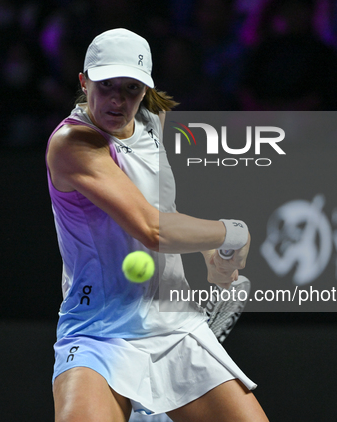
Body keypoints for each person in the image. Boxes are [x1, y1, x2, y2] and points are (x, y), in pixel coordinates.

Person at [45, 28, 269, 422]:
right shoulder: (72, 144)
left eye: (131, 88)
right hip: (100, 332)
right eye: (106, 85)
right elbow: (154, 229)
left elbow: (162, 204)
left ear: (145, 90)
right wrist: (233, 231)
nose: (117, 99)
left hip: (174, 325)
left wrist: (203, 248)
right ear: (83, 81)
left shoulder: (153, 122)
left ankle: (151, 414)